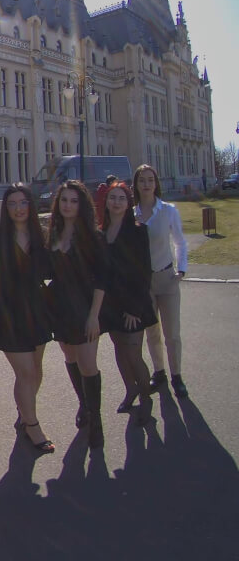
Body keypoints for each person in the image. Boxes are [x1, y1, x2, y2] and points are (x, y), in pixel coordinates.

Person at [0, 184, 55, 454]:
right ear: (6, 208)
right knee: (25, 372)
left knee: (37, 371)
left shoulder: (43, 237)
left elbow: (50, 272)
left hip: (37, 312)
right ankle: (33, 425)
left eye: (23, 203)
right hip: (8, 314)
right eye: (12, 203)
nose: (18, 209)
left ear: (30, 205)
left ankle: (24, 413)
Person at [47, 180, 109, 448]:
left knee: (88, 364)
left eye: (73, 201)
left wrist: (94, 315)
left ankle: (96, 421)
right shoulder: (53, 234)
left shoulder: (92, 236)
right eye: (64, 201)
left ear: (81, 204)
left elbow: (101, 279)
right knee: (69, 356)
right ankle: (83, 404)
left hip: (85, 309)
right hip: (60, 309)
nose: (68, 205)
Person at [100, 182, 158, 417]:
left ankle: (146, 399)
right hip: (111, 304)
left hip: (134, 304)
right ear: (106, 201)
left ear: (128, 203)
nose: (116, 202)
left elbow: (144, 271)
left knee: (133, 354)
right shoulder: (101, 232)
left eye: (121, 198)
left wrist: (134, 308)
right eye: (112, 197)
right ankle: (130, 391)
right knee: (120, 352)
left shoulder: (137, 230)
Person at [133, 164, 189, 397]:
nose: (146, 184)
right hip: (144, 283)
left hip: (166, 278)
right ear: (136, 185)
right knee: (151, 332)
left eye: (150, 180)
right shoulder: (132, 213)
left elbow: (180, 242)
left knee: (172, 333)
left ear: (156, 183)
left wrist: (181, 271)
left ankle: (176, 375)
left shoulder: (168, 210)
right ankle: (160, 372)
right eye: (142, 180)